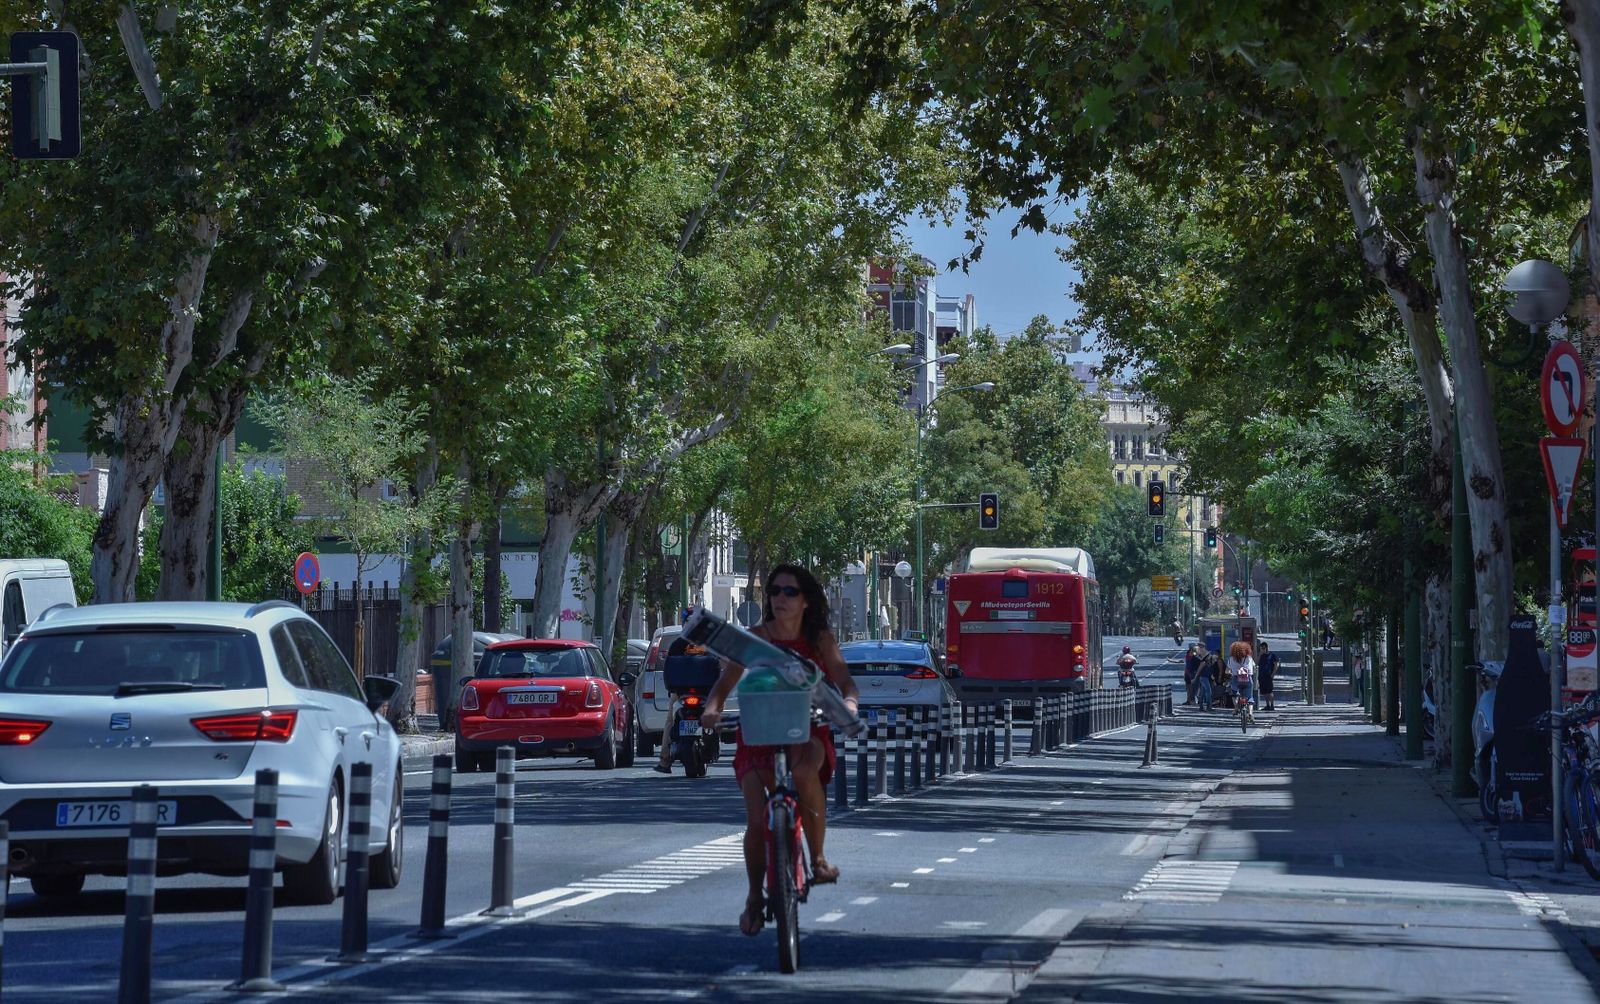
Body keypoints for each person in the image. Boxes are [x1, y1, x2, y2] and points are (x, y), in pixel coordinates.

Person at [700, 564, 861, 938]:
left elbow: (846, 683)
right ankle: (755, 897)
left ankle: (818, 859)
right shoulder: (754, 639)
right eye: (774, 591)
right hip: (758, 734)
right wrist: (712, 710)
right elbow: (723, 688)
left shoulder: (819, 639)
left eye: (789, 592)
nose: (780, 598)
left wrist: (849, 704)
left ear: (805, 600)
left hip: (807, 731)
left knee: (805, 774)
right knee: (757, 822)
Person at [1228, 639, 1256, 710]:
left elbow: (1227, 670)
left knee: (1234, 693)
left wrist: (1231, 672)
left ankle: (1236, 707)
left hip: (1236, 679)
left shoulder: (1231, 659)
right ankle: (1250, 713)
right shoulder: (1249, 658)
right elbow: (1254, 668)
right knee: (1250, 697)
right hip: (1248, 678)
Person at [1257, 640, 1278, 712]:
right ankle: (1267, 705)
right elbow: (1256, 663)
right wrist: (1260, 654)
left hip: (1268, 676)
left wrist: (1273, 674)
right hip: (1261, 676)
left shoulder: (1272, 655)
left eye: (1263, 648)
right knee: (1264, 692)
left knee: (1270, 691)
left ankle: (1272, 705)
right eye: (1261, 648)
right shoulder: (1261, 655)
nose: (1262, 649)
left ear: (1266, 648)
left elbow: (1275, 665)